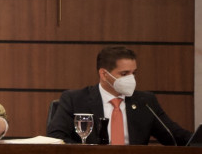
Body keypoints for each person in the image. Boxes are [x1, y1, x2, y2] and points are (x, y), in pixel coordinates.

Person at [47, 45, 192, 145]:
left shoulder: (145, 102)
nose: (131, 78)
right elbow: (56, 138)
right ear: (104, 74)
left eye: (133, 73)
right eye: (124, 74)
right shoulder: (75, 99)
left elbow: (175, 136)